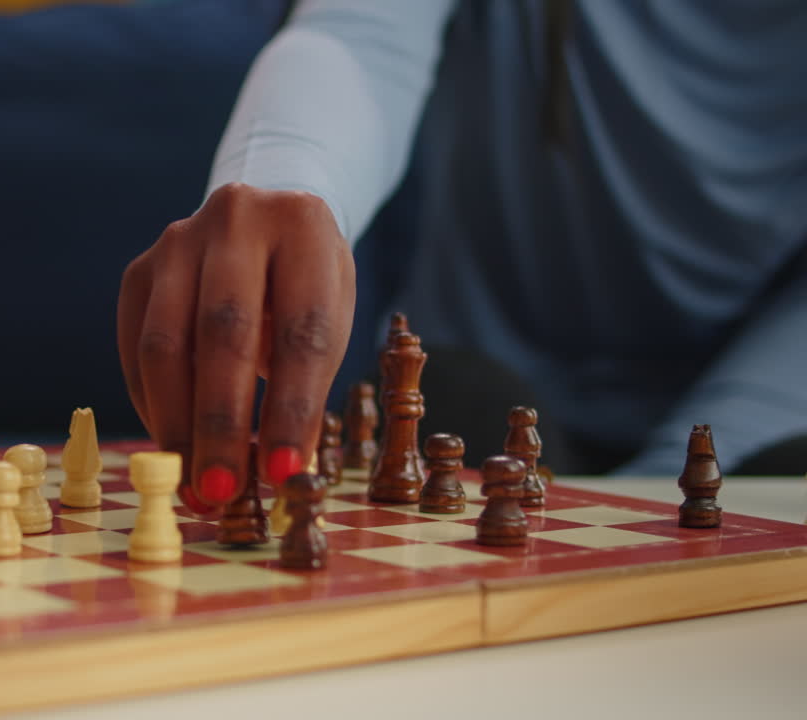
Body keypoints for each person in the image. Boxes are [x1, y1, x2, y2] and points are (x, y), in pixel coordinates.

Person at [117, 0, 807, 510]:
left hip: (769, 405)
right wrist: (282, 182)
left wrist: (663, 489)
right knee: (462, 407)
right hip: (469, 390)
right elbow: (362, 32)